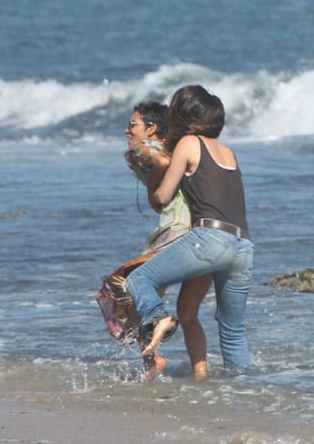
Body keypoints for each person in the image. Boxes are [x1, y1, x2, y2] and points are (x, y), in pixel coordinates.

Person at [125, 86, 254, 374]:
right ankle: (245, 393)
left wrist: (151, 181)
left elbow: (162, 197)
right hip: (243, 245)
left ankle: (157, 318)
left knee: (138, 280)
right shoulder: (229, 152)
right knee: (233, 332)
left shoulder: (189, 144)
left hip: (209, 239)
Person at [98, 101, 211, 378]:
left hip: (173, 234)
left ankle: (152, 362)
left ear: (151, 128)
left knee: (127, 290)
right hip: (204, 236)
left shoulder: (144, 149)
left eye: (133, 124)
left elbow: (160, 165)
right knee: (189, 315)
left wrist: (154, 184)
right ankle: (201, 376)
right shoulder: (181, 149)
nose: (127, 130)